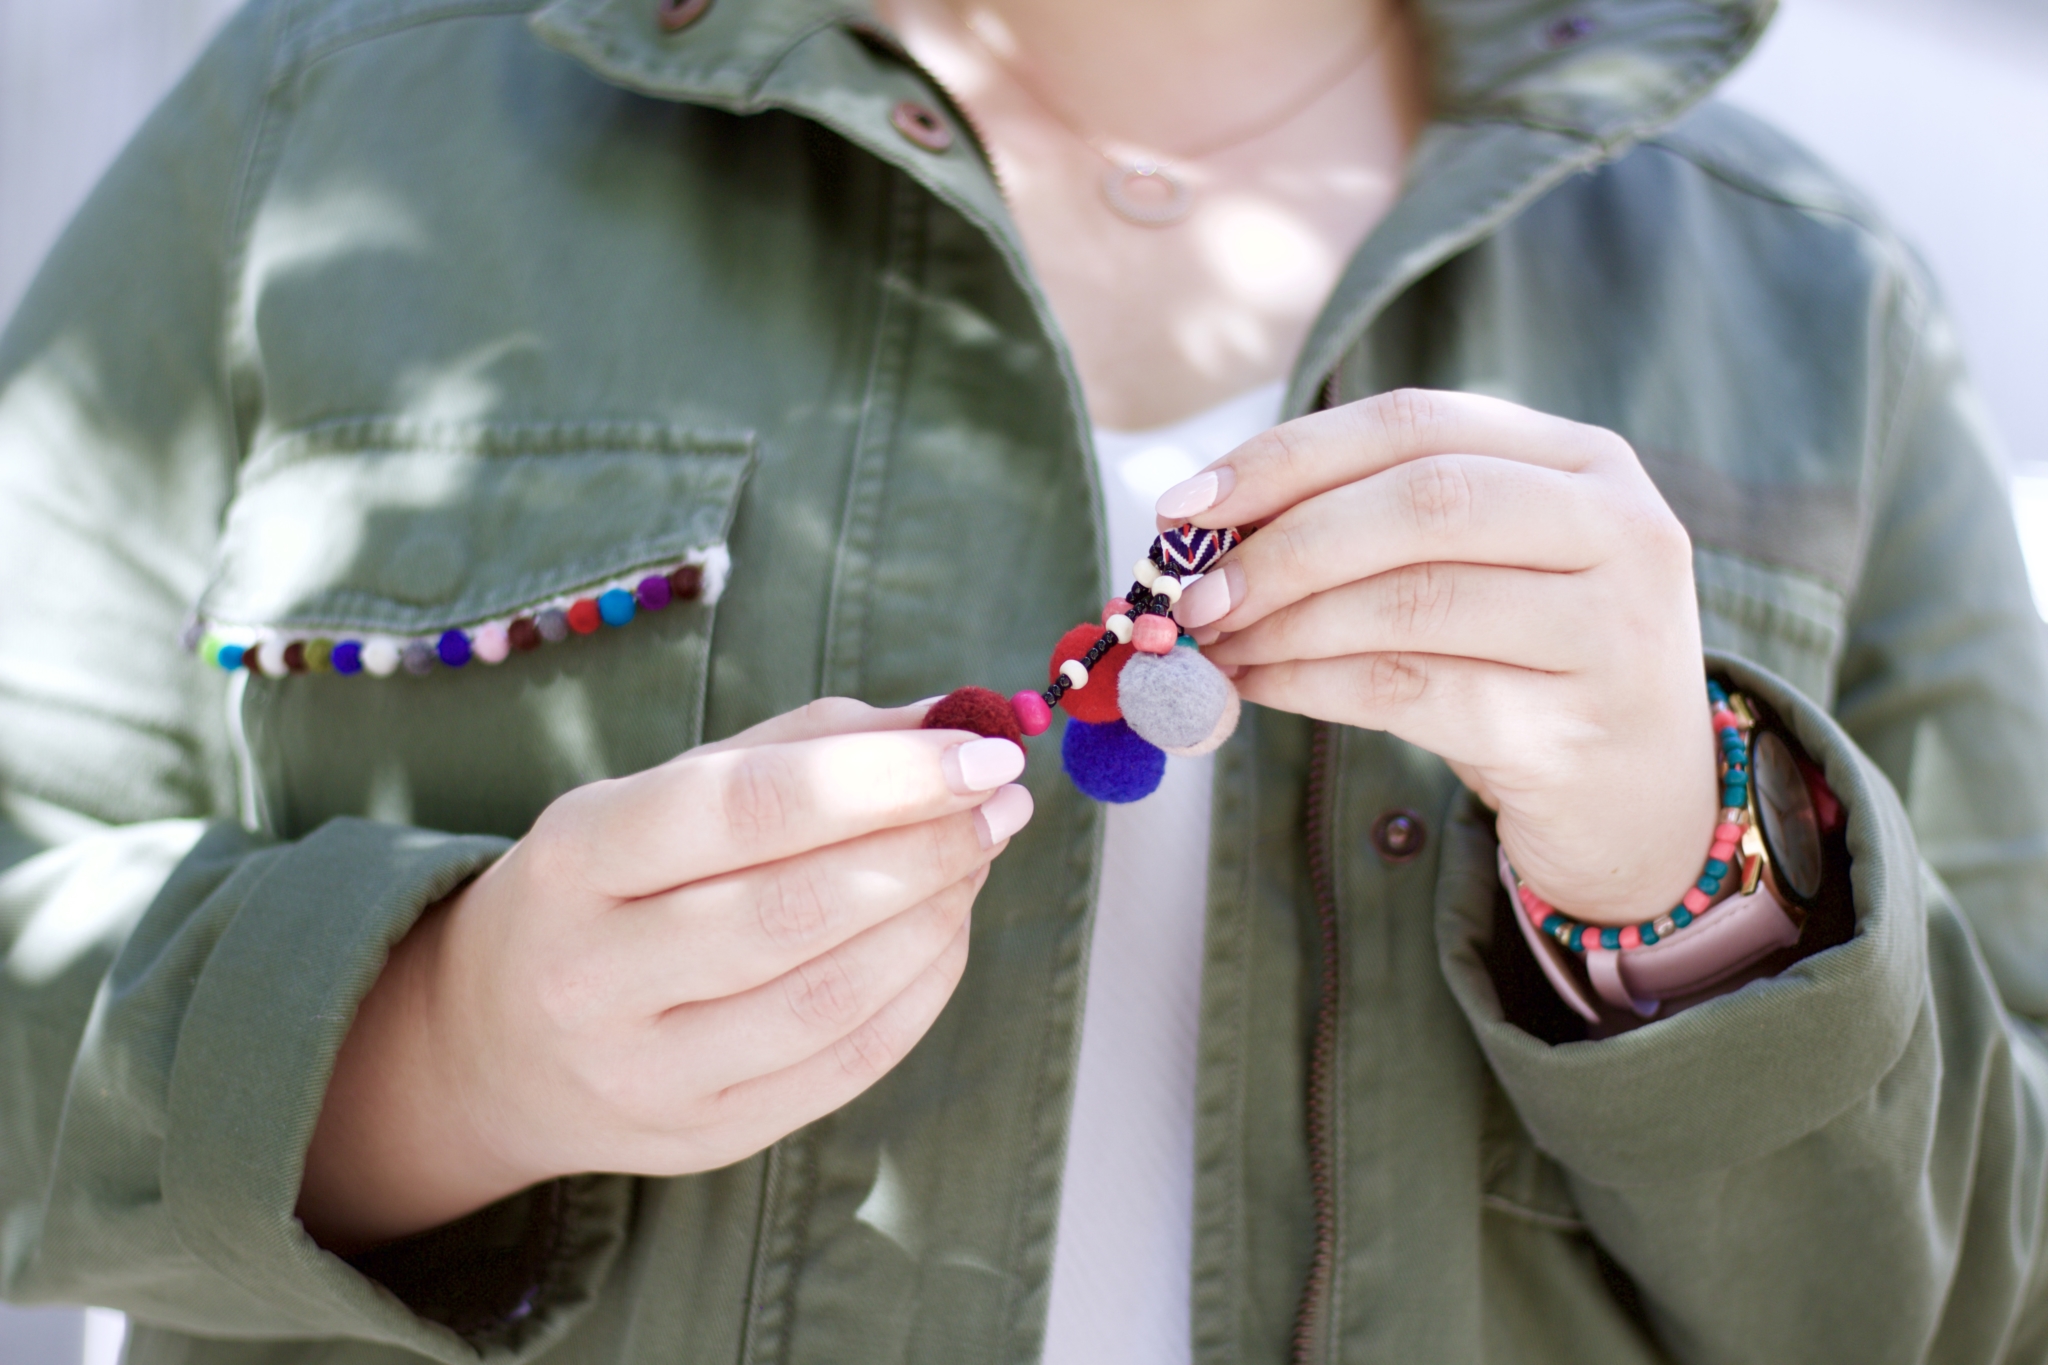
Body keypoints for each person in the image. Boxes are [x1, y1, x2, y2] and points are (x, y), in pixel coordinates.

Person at [2, 0, 2046, 1359]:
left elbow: (1987, 1292)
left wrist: (1688, 864)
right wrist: (441, 1045)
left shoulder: (1802, 299)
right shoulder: (333, 121)